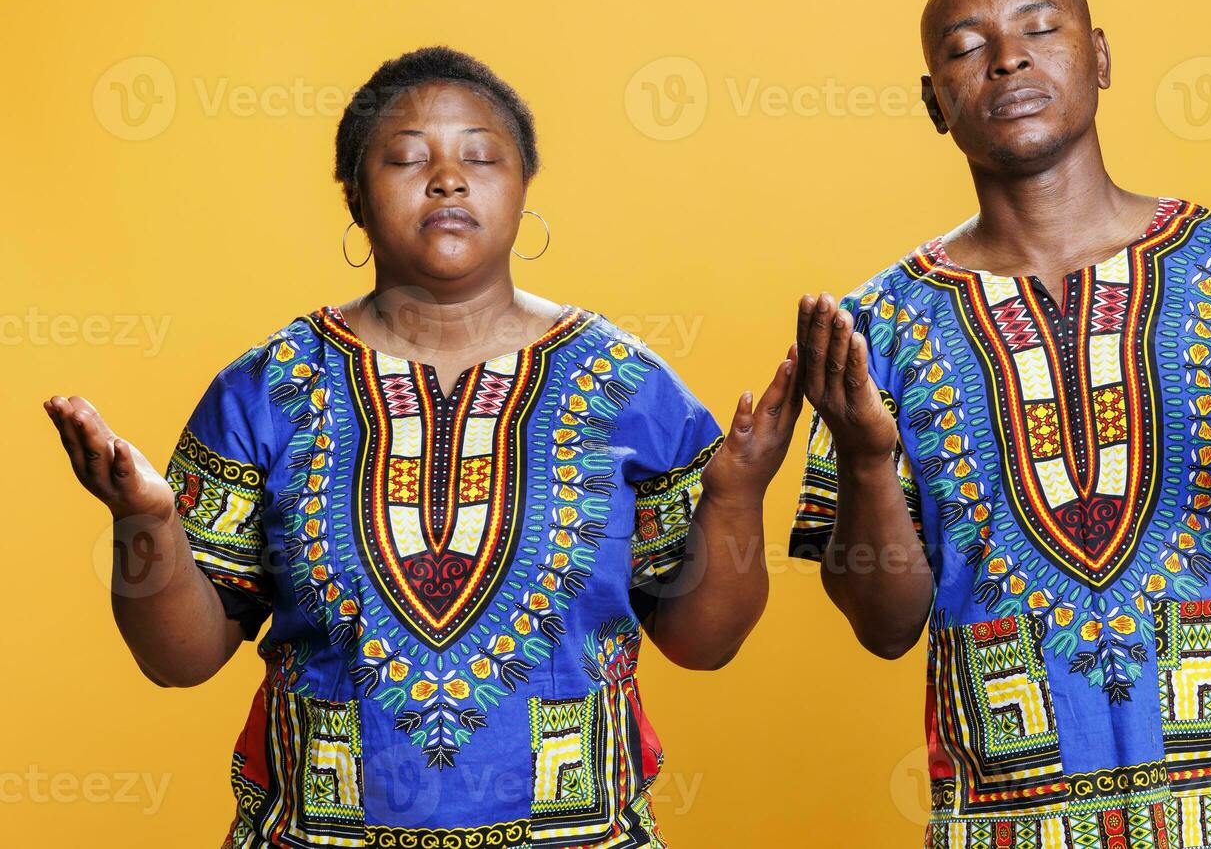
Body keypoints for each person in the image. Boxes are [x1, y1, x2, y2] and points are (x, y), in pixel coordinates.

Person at [45, 45, 800, 846]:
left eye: (481, 156)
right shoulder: (266, 389)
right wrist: (146, 520)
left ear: (522, 192)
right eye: (407, 159)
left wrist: (737, 493)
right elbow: (181, 658)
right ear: (356, 200)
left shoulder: (629, 387)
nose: (448, 178)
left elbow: (704, 641)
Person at [790, 0, 1211, 848]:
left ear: (1100, 57)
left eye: (1039, 27)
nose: (1009, 58)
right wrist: (869, 461)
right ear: (933, 103)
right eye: (966, 46)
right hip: (1003, 825)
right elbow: (883, 625)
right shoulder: (876, 328)